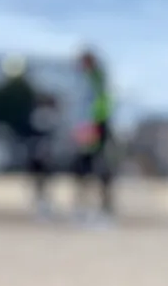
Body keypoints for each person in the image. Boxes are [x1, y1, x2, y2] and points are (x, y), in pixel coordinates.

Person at [71, 48, 115, 224]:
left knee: (91, 166)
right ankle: (88, 207)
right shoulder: (93, 78)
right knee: (87, 166)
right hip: (91, 125)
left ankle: (95, 208)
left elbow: (94, 104)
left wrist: (91, 125)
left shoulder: (94, 79)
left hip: (93, 126)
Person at [26, 92, 61, 219]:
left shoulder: (47, 115)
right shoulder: (42, 115)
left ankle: (44, 202)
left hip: (45, 151)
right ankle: (41, 202)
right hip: (40, 151)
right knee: (40, 179)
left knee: (45, 179)